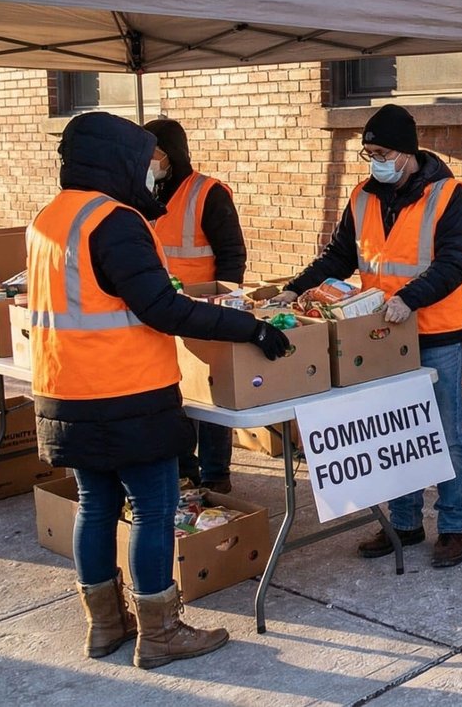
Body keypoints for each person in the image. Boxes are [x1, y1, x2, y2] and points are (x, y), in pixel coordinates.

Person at [31, 112, 290, 669]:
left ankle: (105, 626)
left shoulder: (51, 218)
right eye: (144, 161)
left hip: (62, 388)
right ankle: (162, 631)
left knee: (96, 505)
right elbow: (163, 308)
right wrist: (251, 328)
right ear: (117, 160)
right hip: (124, 392)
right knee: (154, 507)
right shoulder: (114, 221)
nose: (152, 173)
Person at [274, 104, 462, 568]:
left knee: (445, 434)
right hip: (381, 335)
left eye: (381, 152)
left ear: (406, 152)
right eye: (368, 153)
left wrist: (411, 297)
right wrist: (294, 289)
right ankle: (403, 524)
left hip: (434, 332)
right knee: (398, 434)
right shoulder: (363, 196)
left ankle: (453, 527)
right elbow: (337, 256)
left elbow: (454, 262)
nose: (375, 162)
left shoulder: (449, 196)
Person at [141, 119, 246, 495]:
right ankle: (186, 467)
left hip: (203, 307)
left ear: (169, 154)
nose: (146, 161)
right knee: (174, 392)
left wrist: (226, 301)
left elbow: (232, 254)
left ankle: (217, 472)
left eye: (151, 154)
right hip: (158, 310)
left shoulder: (208, 193)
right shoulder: (142, 192)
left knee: (213, 391)